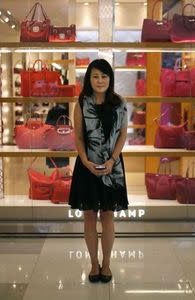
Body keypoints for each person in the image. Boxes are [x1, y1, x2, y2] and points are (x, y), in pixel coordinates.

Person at [69, 59, 129, 283]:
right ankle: (94, 264)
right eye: (95, 76)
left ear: (110, 78)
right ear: (89, 79)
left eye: (104, 76)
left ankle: (107, 264)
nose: (100, 80)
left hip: (112, 168)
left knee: (108, 215)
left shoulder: (120, 102)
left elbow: (123, 134)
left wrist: (113, 159)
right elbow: (78, 136)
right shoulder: (82, 102)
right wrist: (85, 161)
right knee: (89, 216)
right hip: (87, 166)